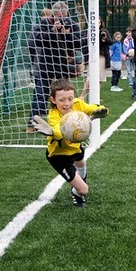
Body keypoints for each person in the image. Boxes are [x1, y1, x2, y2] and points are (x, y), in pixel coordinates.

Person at [29, 78, 109, 207]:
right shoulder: (54, 115)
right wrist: (53, 132)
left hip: (75, 147)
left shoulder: (77, 104)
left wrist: (100, 110)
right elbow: (59, 132)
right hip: (59, 156)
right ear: (53, 100)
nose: (67, 103)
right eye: (62, 100)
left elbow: (91, 108)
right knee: (84, 190)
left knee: (81, 162)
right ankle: (77, 192)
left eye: (70, 98)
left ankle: (79, 182)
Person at [27, 1, 83, 130]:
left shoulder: (72, 24)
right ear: (53, 14)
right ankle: (32, 124)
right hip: (45, 64)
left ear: (67, 13)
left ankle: (66, 122)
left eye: (63, 16)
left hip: (63, 64)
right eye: (58, 16)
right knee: (40, 94)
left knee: (65, 96)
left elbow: (79, 42)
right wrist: (52, 32)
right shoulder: (44, 23)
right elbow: (37, 40)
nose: (60, 19)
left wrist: (66, 34)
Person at [98, 18, 114, 85]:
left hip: (102, 56)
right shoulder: (89, 32)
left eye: (99, 22)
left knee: (100, 78)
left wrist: (105, 39)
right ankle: (83, 94)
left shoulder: (104, 31)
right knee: (90, 78)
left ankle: (97, 94)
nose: (98, 24)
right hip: (93, 56)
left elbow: (111, 42)